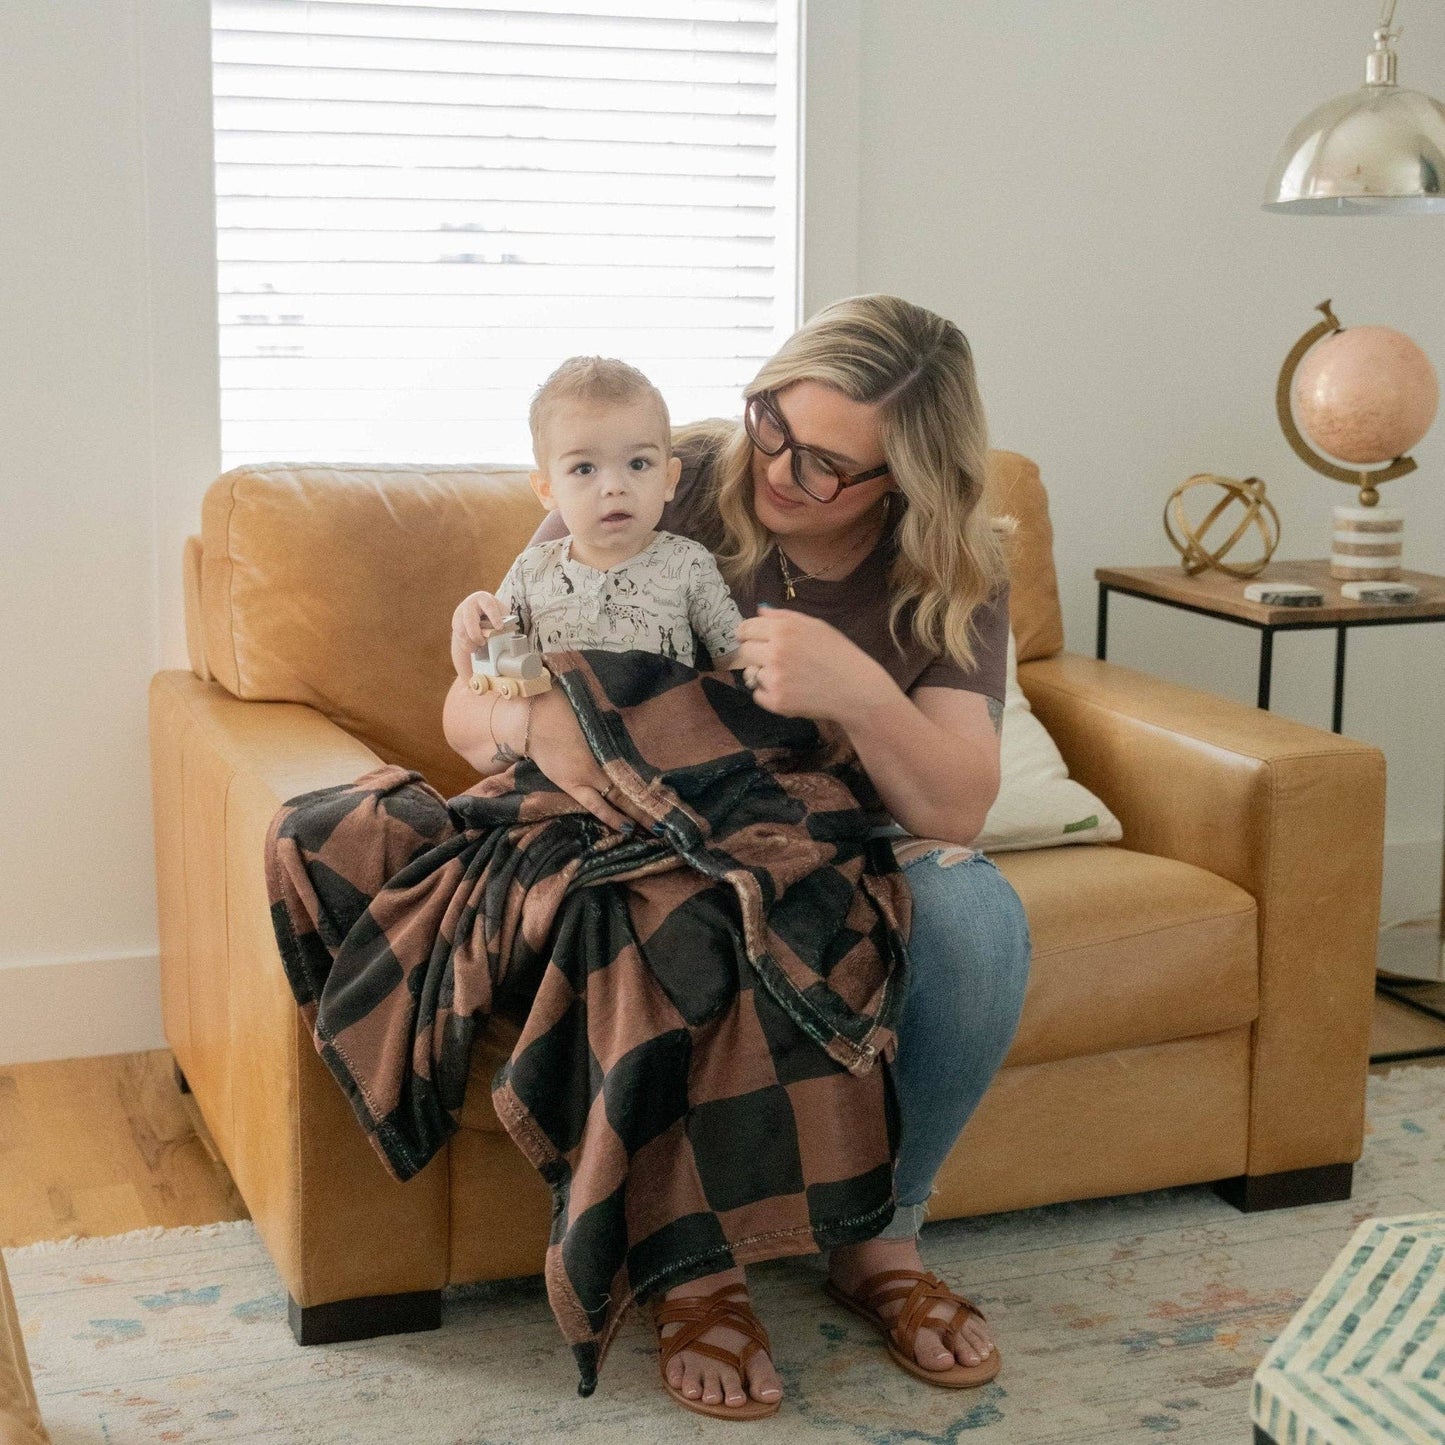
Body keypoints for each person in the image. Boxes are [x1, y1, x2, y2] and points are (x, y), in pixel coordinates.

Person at [442, 294, 1033, 1418]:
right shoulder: (663, 476)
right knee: (675, 917)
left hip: (833, 837)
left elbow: (954, 809)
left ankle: (880, 1241)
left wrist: (855, 688)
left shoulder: (953, 565)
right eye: (771, 421)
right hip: (652, 833)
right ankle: (693, 1267)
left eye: (824, 464)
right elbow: (467, 717)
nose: (776, 468)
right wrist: (536, 718)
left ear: (906, 479)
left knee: (978, 915)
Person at [449, 356, 743, 744]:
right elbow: (482, 677)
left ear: (669, 480)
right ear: (546, 490)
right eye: (585, 469)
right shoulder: (532, 569)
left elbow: (736, 661)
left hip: (665, 751)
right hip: (561, 753)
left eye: (638, 463)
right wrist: (468, 632)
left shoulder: (687, 563)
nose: (614, 486)